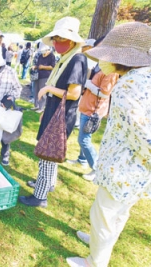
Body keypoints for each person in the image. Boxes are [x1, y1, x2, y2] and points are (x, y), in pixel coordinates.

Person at [66, 22, 151, 267]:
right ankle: (97, 243)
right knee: (116, 214)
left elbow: (143, 135)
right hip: (133, 170)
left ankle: (94, 261)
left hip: (124, 169)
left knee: (104, 215)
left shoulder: (130, 85)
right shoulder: (142, 79)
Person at [19, 17, 87, 208]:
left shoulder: (77, 60)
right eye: (55, 39)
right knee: (51, 154)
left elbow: (74, 93)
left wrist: (48, 89)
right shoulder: (66, 59)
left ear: (71, 41)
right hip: (54, 113)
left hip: (61, 117)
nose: (56, 43)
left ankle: (39, 196)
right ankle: (48, 184)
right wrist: (46, 110)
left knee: (47, 155)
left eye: (60, 39)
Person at [66, 37, 118, 181]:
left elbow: (105, 93)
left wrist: (89, 85)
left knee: (84, 140)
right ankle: (82, 160)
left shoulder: (111, 71)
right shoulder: (99, 65)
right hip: (87, 106)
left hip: (93, 110)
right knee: (85, 137)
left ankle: (96, 168)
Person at [32, 42, 55, 113]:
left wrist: (43, 67)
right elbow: (38, 65)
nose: (42, 52)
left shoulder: (51, 56)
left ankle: (41, 107)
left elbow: (52, 67)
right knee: (36, 90)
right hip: (37, 76)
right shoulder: (40, 56)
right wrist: (35, 67)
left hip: (45, 76)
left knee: (42, 92)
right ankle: (36, 105)